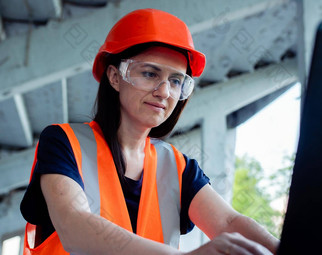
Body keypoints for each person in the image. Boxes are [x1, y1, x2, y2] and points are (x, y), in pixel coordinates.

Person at [20, 8, 279, 255]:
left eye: (176, 81)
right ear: (114, 77)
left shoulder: (178, 168)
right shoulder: (64, 143)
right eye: (149, 73)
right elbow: (74, 225)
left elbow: (228, 221)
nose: (164, 92)